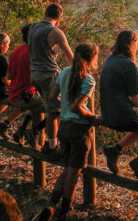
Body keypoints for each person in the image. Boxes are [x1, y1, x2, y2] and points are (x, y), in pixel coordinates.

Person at [38, 43, 101, 220]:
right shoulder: (88, 79)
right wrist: (92, 117)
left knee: (67, 169)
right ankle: (65, 210)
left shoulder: (65, 72)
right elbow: (76, 107)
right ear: (93, 58)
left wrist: (63, 107)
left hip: (63, 126)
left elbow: (51, 96)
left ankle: (51, 204)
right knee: (73, 172)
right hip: (79, 129)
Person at [100, 30, 138, 182]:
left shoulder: (110, 59)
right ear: (132, 44)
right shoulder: (128, 64)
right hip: (121, 115)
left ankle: (117, 149)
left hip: (107, 114)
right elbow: (136, 99)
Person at [28, 3, 74, 156]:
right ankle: (52, 145)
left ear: (45, 13)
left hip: (34, 73)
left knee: (53, 108)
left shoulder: (33, 28)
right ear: (59, 18)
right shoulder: (56, 32)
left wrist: (55, 49)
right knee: (54, 111)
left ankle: (43, 134)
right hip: (49, 75)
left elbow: (43, 50)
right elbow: (69, 56)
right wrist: (82, 73)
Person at [0, 24, 45, 144]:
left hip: (15, 92)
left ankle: (11, 127)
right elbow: (36, 78)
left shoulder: (16, 51)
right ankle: (34, 133)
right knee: (53, 106)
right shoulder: (33, 53)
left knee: (35, 102)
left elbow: (9, 75)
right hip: (24, 95)